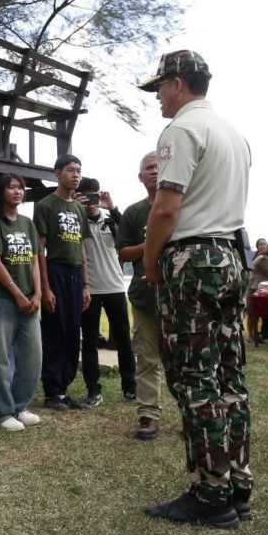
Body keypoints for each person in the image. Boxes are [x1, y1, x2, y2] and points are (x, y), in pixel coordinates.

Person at [140, 50, 252, 529]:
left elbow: (167, 208)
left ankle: (211, 494)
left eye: (160, 87)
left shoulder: (181, 130)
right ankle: (237, 484)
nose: (157, 97)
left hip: (192, 258)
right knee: (229, 377)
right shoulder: (234, 134)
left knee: (195, 378)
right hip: (229, 255)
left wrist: (151, 263)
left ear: (179, 83)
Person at [0, 173, 42, 431]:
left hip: (30, 300)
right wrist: (17, 294)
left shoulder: (27, 223)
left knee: (33, 356)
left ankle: (20, 406)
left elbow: (35, 260)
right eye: (11, 187)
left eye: (20, 187)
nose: (17, 191)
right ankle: (2, 412)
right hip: (5, 299)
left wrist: (37, 293)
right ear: (1, 192)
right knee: (1, 358)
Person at [34, 154, 92, 410]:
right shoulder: (45, 205)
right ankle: (52, 391)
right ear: (57, 173)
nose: (76, 175)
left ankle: (64, 389)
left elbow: (81, 247)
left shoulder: (78, 208)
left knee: (72, 332)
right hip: (55, 271)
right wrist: (45, 287)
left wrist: (86, 285)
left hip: (76, 274)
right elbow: (40, 250)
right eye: (70, 170)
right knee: (55, 331)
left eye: (78, 170)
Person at [115, 152, 162, 440]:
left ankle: (192, 415)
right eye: (149, 168)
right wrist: (151, 243)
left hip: (181, 296)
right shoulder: (133, 212)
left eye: (159, 166)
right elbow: (122, 253)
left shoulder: (185, 205)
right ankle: (148, 414)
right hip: (144, 297)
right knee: (146, 357)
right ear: (141, 176)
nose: (154, 171)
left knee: (184, 361)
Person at [77, 177, 136, 406]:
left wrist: (111, 206)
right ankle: (93, 390)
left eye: (94, 195)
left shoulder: (110, 220)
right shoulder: (76, 221)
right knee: (89, 341)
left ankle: (130, 388)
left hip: (115, 287)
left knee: (124, 340)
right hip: (89, 289)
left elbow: (131, 235)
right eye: (85, 196)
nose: (90, 201)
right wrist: (75, 207)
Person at [247, 243, 268, 343]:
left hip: (259, 288)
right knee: (253, 313)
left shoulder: (264, 258)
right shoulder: (264, 259)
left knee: (257, 313)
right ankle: (250, 335)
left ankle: (255, 334)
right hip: (254, 288)